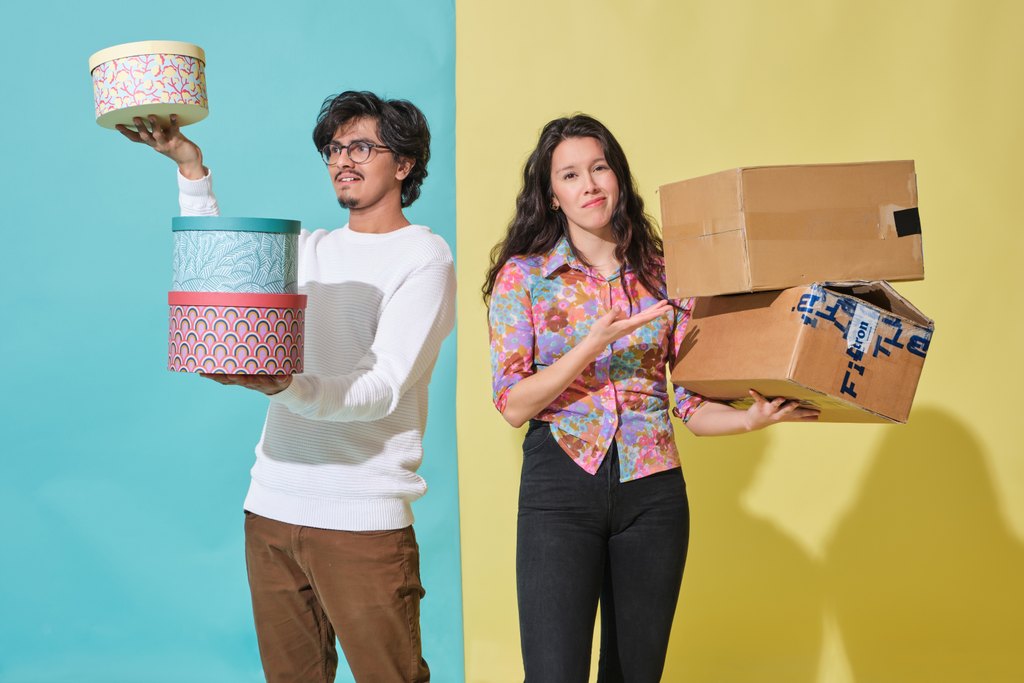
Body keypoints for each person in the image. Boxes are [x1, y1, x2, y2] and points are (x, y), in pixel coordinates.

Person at [118, 91, 455, 683]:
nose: (341, 160)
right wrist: (190, 169)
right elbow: (217, 278)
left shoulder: (424, 258)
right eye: (333, 148)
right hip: (270, 507)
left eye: (360, 147)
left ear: (403, 164)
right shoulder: (308, 249)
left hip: (361, 516)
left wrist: (285, 386)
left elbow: (384, 387)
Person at [483, 114, 818, 683]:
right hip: (560, 486)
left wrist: (750, 420)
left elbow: (687, 404)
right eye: (570, 175)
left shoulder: (665, 274)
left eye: (599, 168)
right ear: (552, 195)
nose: (589, 184)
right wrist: (590, 346)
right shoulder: (526, 277)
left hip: (654, 492)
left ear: (618, 177)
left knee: (635, 675)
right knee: (552, 675)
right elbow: (514, 404)